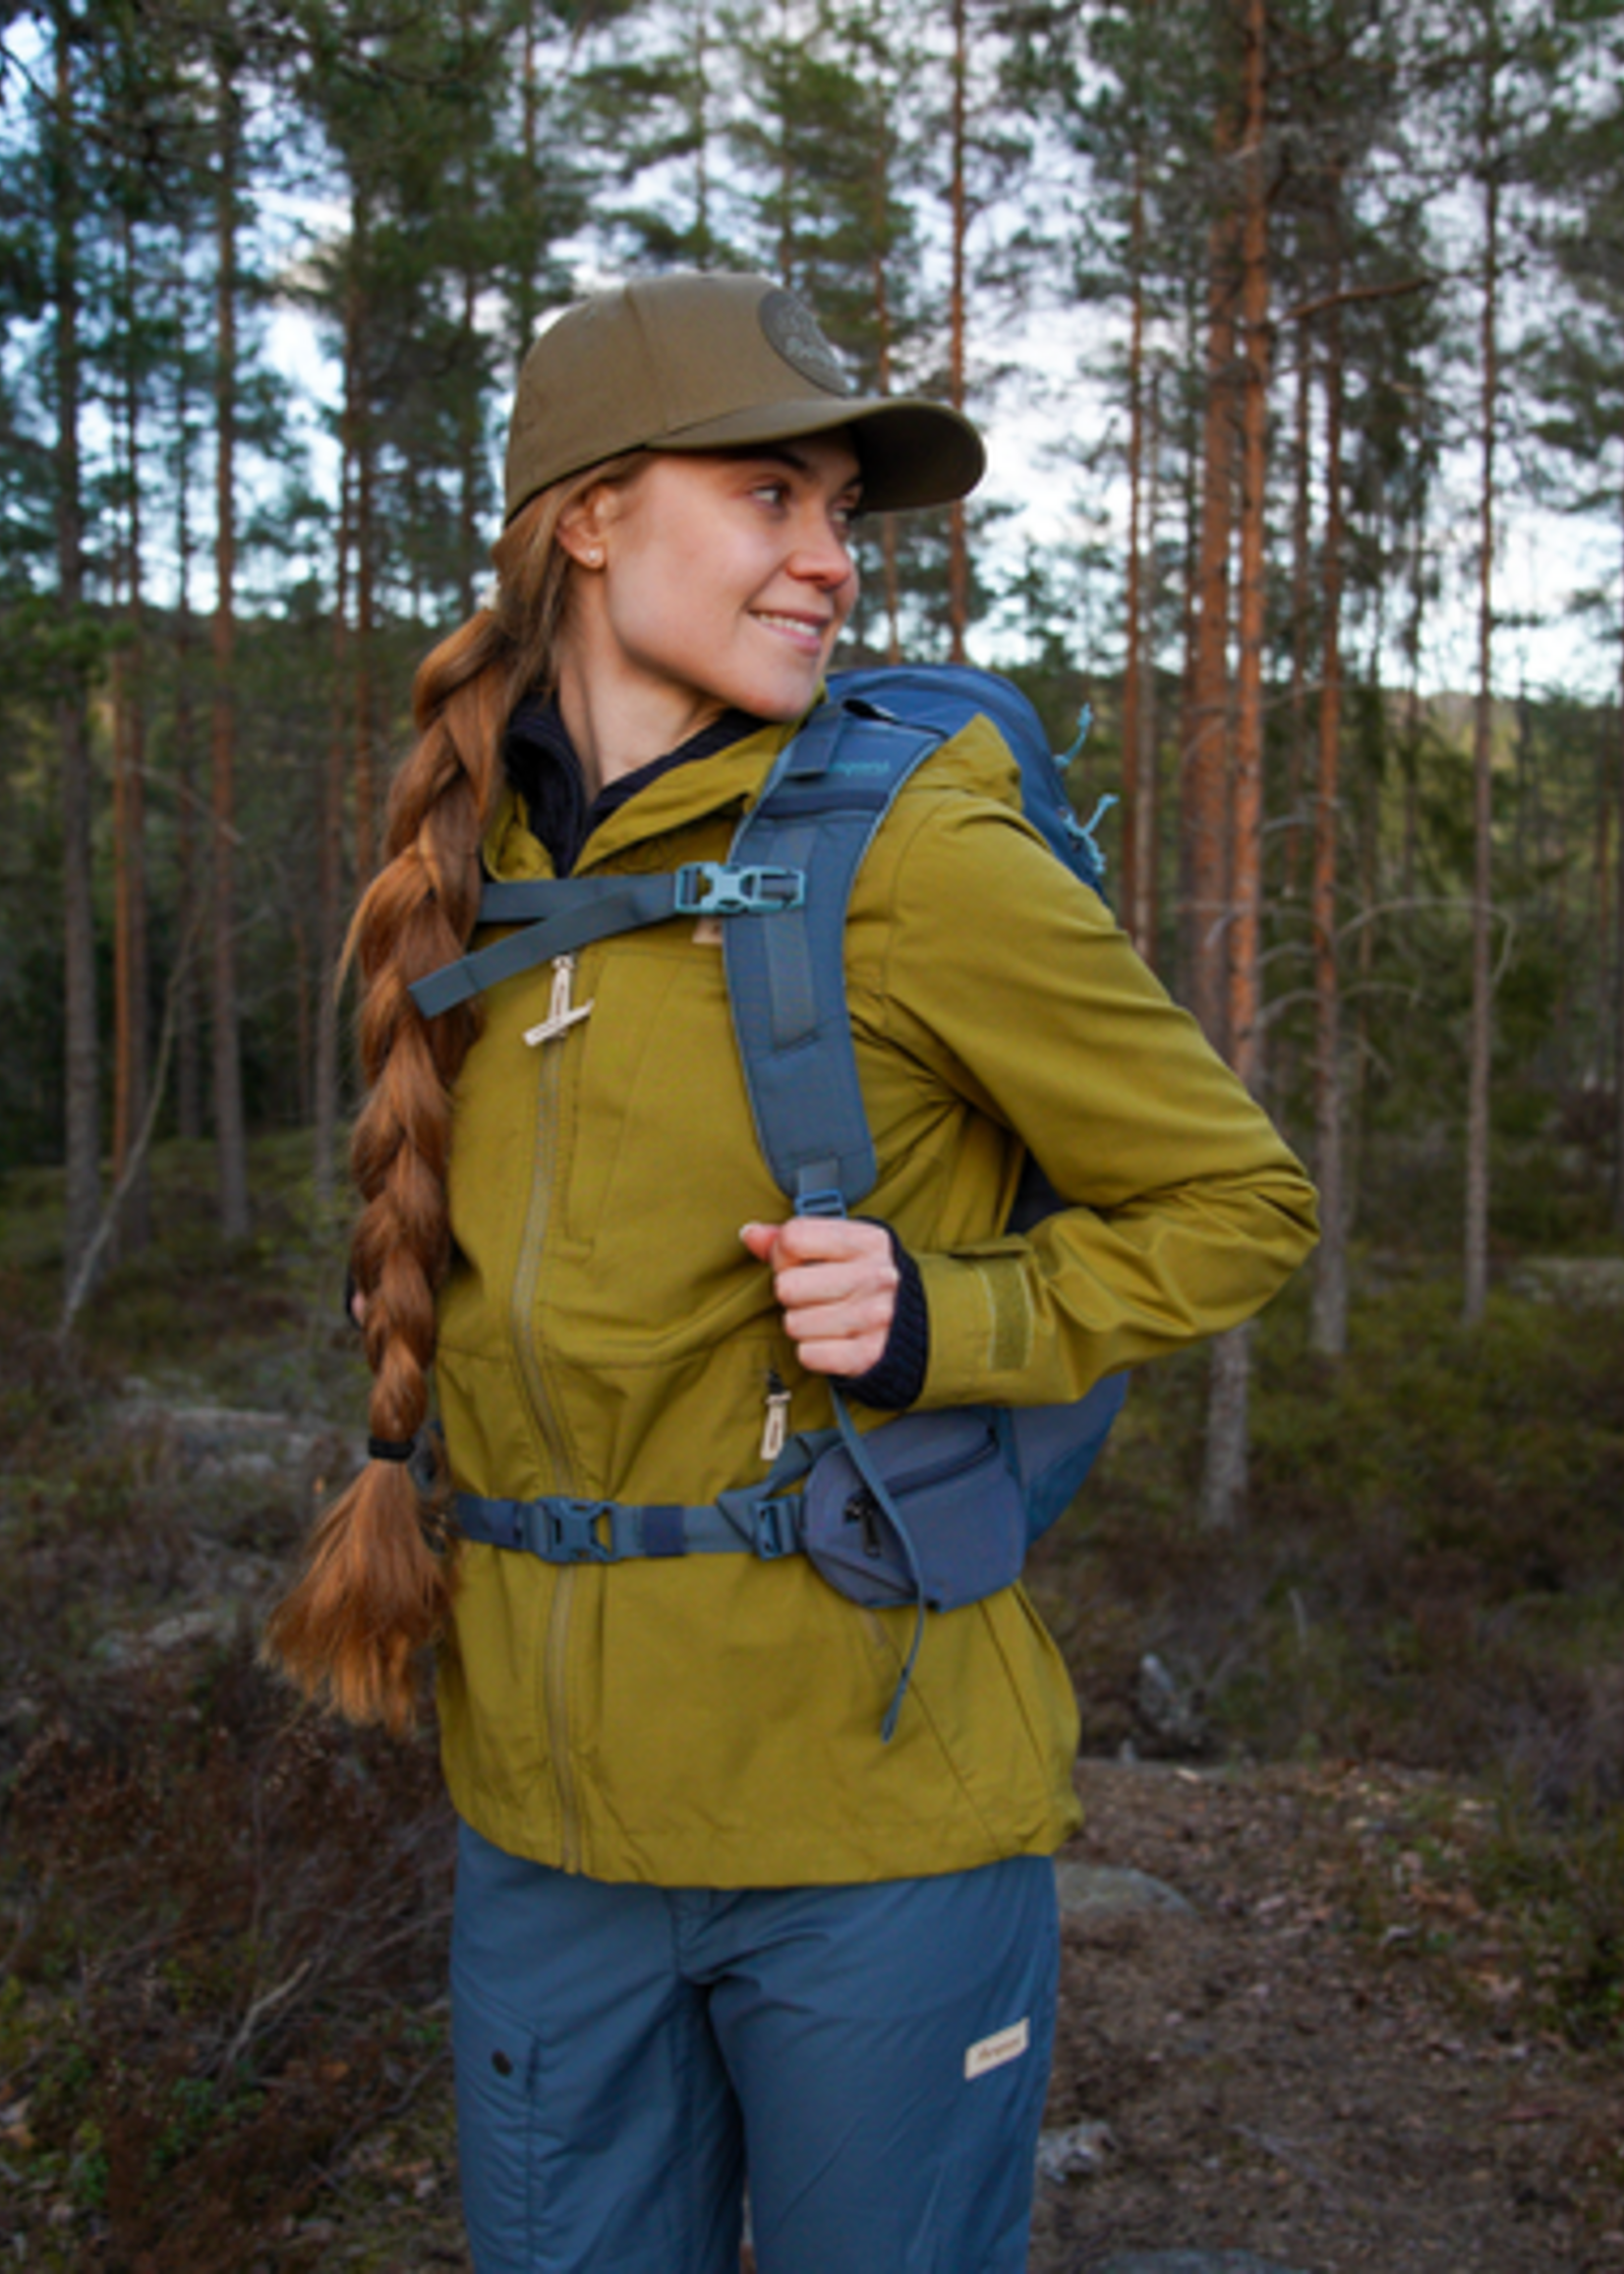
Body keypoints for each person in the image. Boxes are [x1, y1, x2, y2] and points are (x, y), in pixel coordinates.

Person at [267, 268, 1318, 2274]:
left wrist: (953, 1317)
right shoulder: (462, 876)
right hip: (541, 1837)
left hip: (874, 1827)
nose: (832, 561)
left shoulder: (912, 846)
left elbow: (1237, 1198)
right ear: (588, 515)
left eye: (843, 511)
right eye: (772, 496)